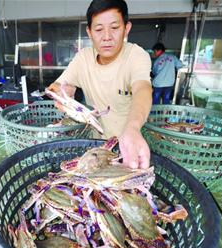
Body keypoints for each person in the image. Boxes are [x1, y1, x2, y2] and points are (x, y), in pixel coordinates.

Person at [47, 0, 152, 169]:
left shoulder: (136, 56)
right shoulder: (83, 58)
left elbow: (143, 89)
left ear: (127, 28)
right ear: (89, 32)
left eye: (115, 27)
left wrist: (132, 128)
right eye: (99, 29)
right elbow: (57, 86)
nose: (107, 37)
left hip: (129, 146)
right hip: (95, 148)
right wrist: (63, 92)